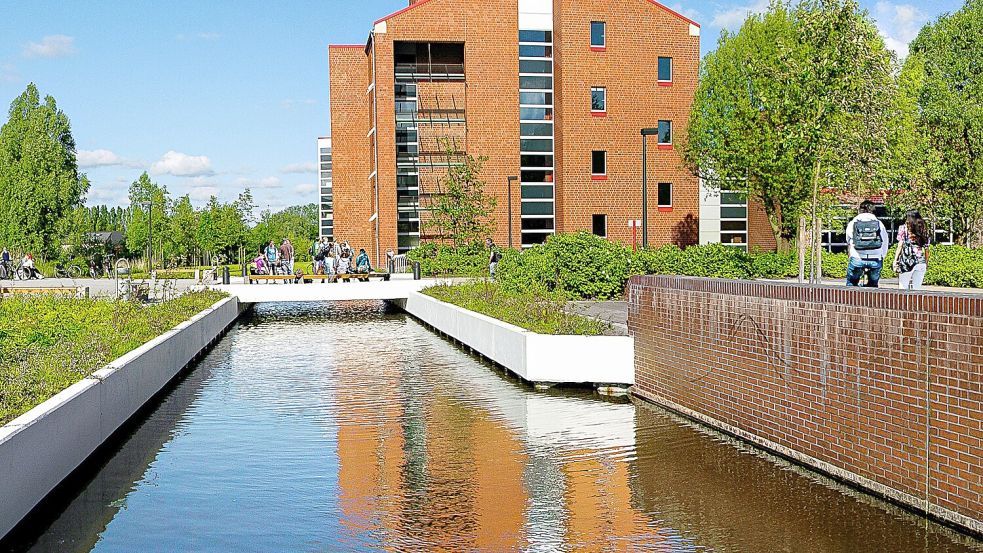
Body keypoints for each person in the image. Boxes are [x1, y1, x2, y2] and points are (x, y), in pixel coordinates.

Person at [845, 200, 889, 288]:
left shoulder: (853, 223)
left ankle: (851, 300)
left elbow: (848, 239)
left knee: (851, 284)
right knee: (873, 285)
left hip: (857, 257)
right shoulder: (879, 224)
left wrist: (851, 255)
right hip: (875, 259)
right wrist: (881, 256)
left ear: (860, 209)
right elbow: (885, 241)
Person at [893, 210, 931, 290]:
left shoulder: (903, 228)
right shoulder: (924, 230)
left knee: (903, 288)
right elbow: (927, 249)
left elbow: (900, 245)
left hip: (907, 261)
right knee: (916, 290)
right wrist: (926, 263)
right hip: (921, 262)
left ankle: (904, 303)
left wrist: (895, 259)